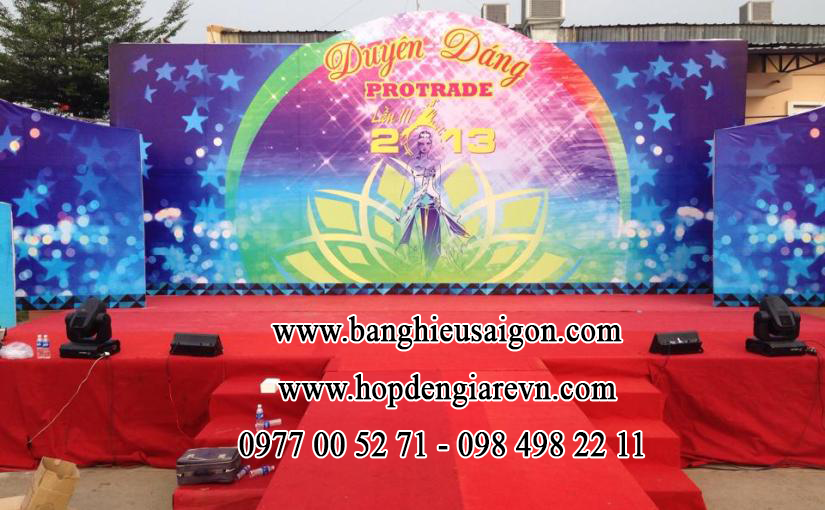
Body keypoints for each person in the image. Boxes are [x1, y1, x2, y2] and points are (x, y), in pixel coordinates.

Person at [396, 130, 469, 273]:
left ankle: (431, 266)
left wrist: (437, 200)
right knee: (415, 237)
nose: (424, 146)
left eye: (427, 143)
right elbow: (413, 185)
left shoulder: (435, 163)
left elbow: (437, 185)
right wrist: (409, 205)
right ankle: (419, 265)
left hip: (432, 205)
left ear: (431, 145)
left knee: (433, 238)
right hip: (418, 205)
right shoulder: (413, 163)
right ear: (417, 145)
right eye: (421, 143)